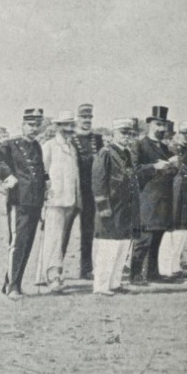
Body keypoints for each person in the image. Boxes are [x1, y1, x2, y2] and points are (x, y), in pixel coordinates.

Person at [0, 107, 47, 299]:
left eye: (37, 125)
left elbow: (39, 170)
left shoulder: (36, 146)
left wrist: (47, 182)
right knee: (18, 243)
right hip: (19, 202)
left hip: (35, 201)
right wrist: (7, 175)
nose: (34, 128)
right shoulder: (11, 145)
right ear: (23, 125)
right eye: (30, 124)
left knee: (27, 244)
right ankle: (12, 287)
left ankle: (13, 284)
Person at [91, 117, 139, 296]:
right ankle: (101, 286)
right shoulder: (106, 153)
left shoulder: (127, 154)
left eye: (130, 134)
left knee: (122, 246)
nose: (127, 137)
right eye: (123, 133)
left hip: (125, 208)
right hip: (111, 207)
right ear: (113, 134)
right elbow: (98, 181)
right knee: (108, 247)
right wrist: (103, 206)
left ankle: (115, 283)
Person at [130, 105, 177, 284]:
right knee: (144, 239)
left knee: (158, 237)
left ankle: (152, 273)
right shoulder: (140, 145)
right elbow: (134, 170)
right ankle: (135, 275)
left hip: (164, 199)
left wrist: (172, 166)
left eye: (163, 125)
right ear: (149, 124)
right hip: (147, 199)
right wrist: (154, 167)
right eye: (158, 124)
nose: (161, 129)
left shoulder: (165, 148)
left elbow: (172, 171)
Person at [40, 111, 82, 293]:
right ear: (58, 126)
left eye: (72, 125)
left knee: (62, 239)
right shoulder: (49, 146)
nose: (70, 129)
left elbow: (75, 177)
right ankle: (51, 276)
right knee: (53, 238)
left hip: (69, 200)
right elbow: (42, 173)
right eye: (66, 125)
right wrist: (44, 197)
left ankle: (56, 272)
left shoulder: (72, 148)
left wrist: (77, 198)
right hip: (54, 200)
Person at [64, 103, 104, 280]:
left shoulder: (98, 139)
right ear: (77, 119)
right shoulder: (70, 139)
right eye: (83, 118)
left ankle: (86, 269)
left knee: (88, 232)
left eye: (89, 118)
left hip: (91, 193)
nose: (87, 121)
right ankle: (55, 268)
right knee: (64, 231)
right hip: (73, 192)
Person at [160, 121, 187, 277]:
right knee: (171, 232)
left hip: (186, 193)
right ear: (178, 133)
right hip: (173, 194)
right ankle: (165, 268)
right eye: (184, 134)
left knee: (182, 230)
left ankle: (175, 266)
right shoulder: (170, 149)